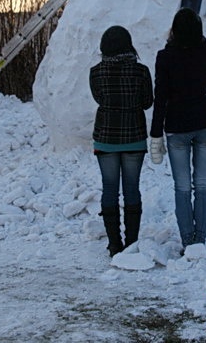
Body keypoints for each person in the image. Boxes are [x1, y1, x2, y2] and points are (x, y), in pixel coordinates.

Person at [150, 8, 206, 251]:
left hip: (177, 128)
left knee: (182, 187)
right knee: (202, 184)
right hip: (204, 124)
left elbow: (160, 97)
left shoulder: (165, 57)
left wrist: (155, 134)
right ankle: (200, 239)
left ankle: (187, 239)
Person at [89, 26, 153, 257]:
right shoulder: (141, 71)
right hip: (134, 137)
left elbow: (98, 98)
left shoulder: (96, 72)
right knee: (131, 189)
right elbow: (147, 102)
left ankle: (114, 244)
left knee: (109, 188)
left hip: (105, 138)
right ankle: (132, 242)